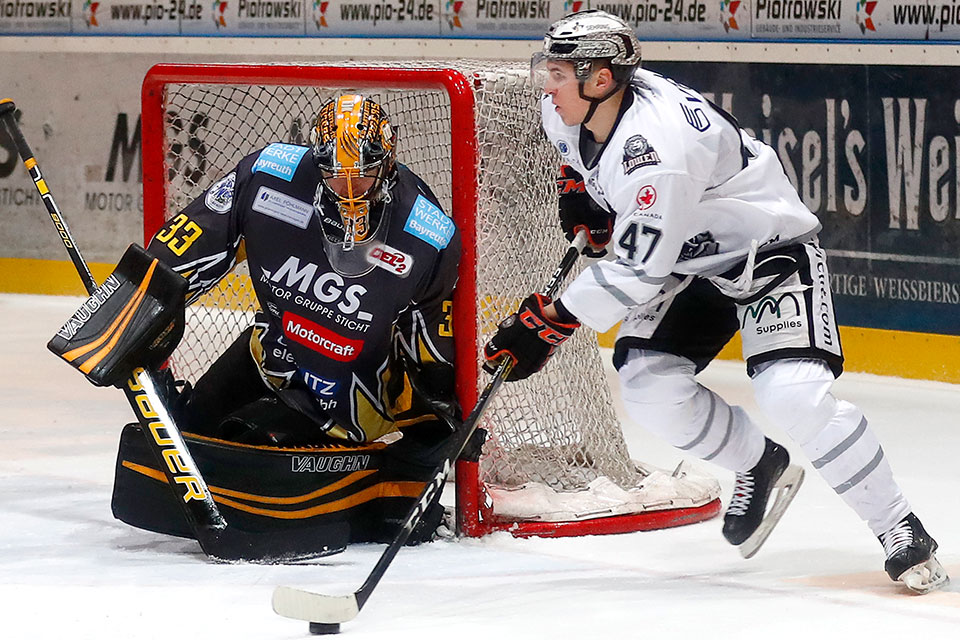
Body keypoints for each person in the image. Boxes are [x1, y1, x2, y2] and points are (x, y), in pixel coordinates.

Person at [483, 10, 948, 593]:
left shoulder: (659, 150)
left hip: (765, 255)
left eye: (557, 71)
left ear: (600, 80)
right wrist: (578, 188)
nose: (545, 84)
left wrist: (548, 324)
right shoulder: (567, 107)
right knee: (649, 388)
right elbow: (581, 161)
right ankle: (759, 462)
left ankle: (899, 527)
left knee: (794, 396)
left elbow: (634, 266)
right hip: (689, 261)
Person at [52, 94, 462, 550]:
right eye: (334, 173)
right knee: (183, 434)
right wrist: (128, 317)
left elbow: (431, 339)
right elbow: (182, 246)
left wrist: (435, 421)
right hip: (271, 354)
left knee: (247, 445)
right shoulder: (269, 175)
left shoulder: (429, 234)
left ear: (388, 162)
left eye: (363, 173)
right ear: (313, 160)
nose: (349, 189)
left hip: (351, 394)